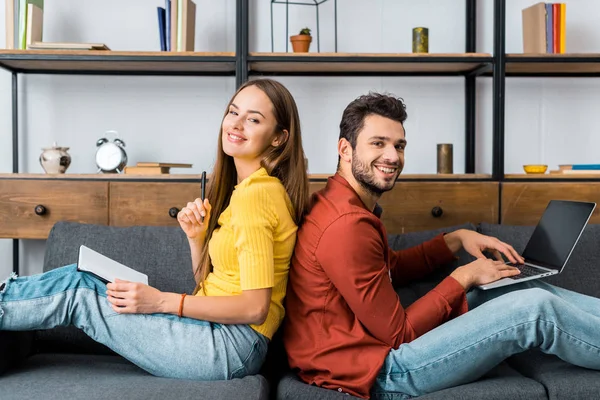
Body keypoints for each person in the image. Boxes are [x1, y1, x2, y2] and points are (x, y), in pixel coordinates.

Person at [283, 92, 600, 399]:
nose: (393, 156)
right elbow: (399, 334)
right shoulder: (345, 225)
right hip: (381, 371)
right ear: (346, 149)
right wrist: (465, 276)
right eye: (378, 143)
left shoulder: (341, 204)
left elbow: (390, 269)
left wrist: (458, 238)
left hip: (372, 355)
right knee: (534, 310)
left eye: (399, 145)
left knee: (512, 286)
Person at [0, 78, 309, 381]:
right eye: (233, 112)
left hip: (229, 345)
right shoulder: (246, 191)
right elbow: (211, 283)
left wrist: (160, 301)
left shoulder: (257, 195)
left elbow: (255, 308)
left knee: (78, 290)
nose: (236, 123)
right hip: (222, 335)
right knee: (84, 279)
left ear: (278, 137)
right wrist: (197, 239)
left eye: (253, 119)